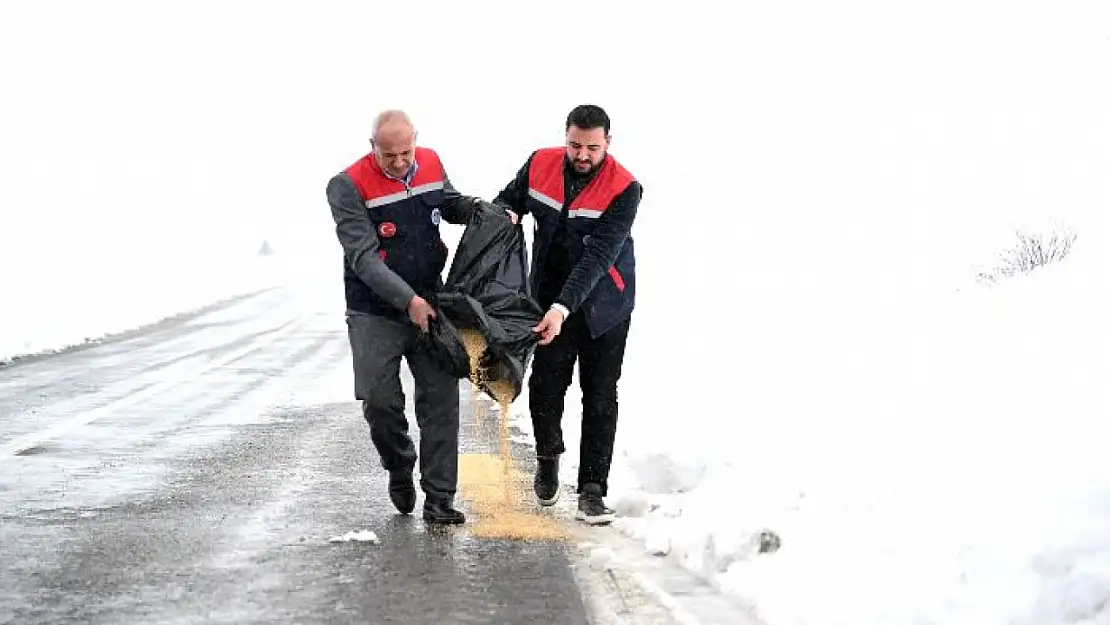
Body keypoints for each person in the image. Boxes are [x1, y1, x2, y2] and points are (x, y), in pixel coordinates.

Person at [326, 109, 487, 525]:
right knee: (379, 401)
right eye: (388, 155)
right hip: (374, 309)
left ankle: (439, 498)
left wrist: (475, 209)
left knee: (440, 399)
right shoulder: (346, 186)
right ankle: (399, 464)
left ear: (416, 140)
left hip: (432, 302)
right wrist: (408, 301)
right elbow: (362, 258)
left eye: (405, 153)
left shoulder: (430, 162)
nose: (399, 163)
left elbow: (446, 202)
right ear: (372, 148)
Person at [493, 104, 642, 525]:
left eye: (592, 147)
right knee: (545, 387)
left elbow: (598, 256)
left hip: (604, 303)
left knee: (599, 395)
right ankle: (547, 457)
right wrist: (506, 212)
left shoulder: (626, 187)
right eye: (575, 145)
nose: (582, 155)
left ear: (607, 143)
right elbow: (509, 198)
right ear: (566, 137)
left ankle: (593, 491)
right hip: (548, 296)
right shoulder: (540, 164)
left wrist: (563, 308)